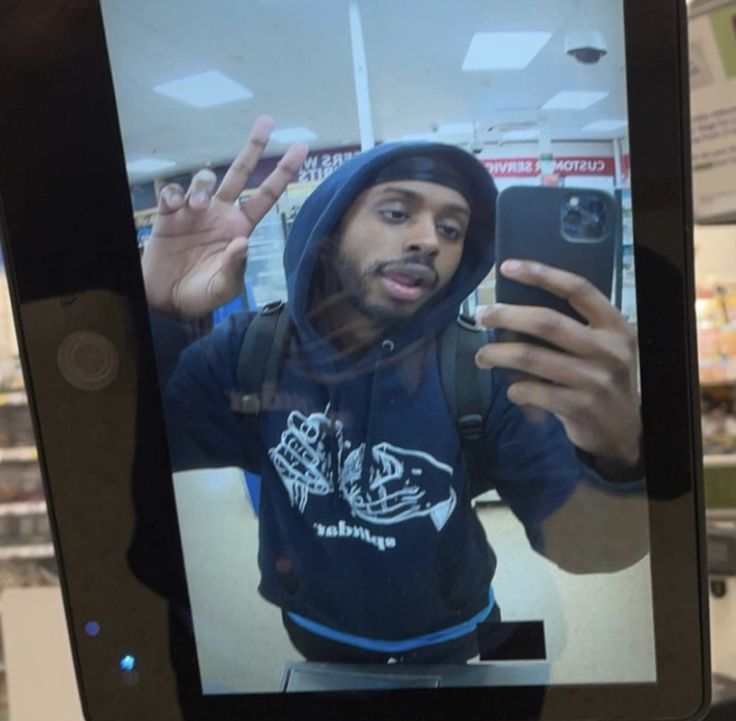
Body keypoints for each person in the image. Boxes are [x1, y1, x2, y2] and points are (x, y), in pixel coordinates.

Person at [142, 116, 647, 664]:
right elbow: (134, 455)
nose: (429, 240)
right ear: (331, 227)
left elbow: (588, 550)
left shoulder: (484, 368)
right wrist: (161, 314)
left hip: (461, 627)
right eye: (396, 212)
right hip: (316, 628)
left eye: (452, 229)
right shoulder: (251, 351)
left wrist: (618, 452)